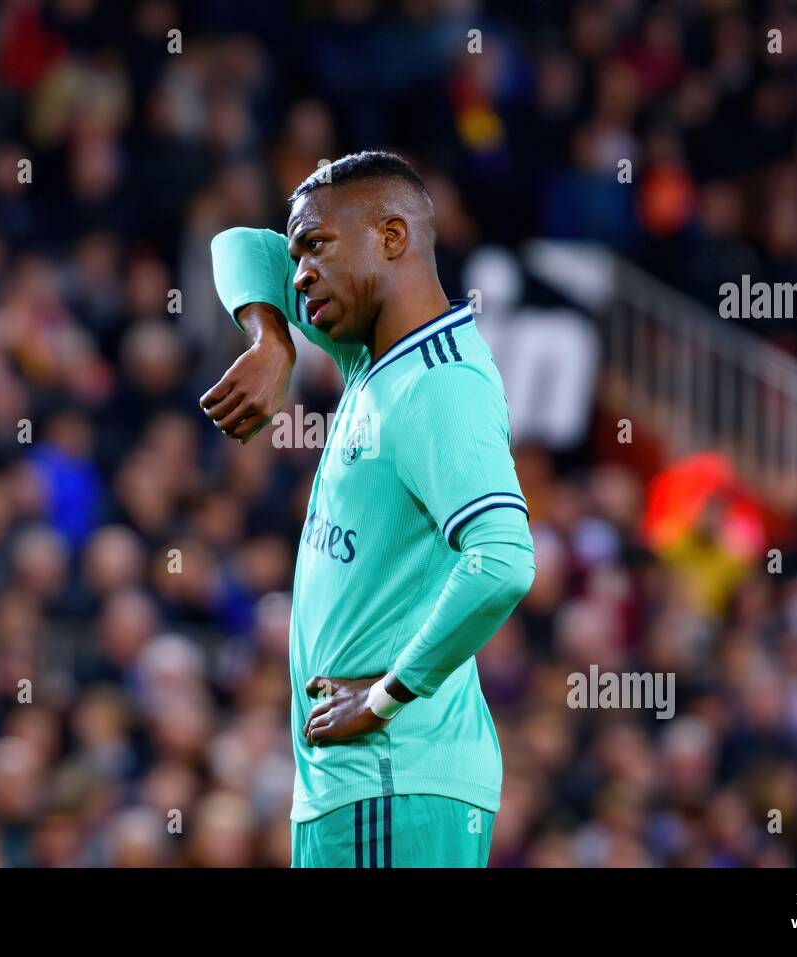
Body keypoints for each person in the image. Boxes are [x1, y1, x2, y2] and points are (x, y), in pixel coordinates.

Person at [200, 151, 535, 867]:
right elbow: (237, 245)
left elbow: (503, 560)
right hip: (359, 789)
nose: (297, 274)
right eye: (297, 256)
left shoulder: (439, 385)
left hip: (393, 778)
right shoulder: (371, 359)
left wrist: (384, 696)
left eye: (316, 246)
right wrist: (271, 338)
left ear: (391, 238)